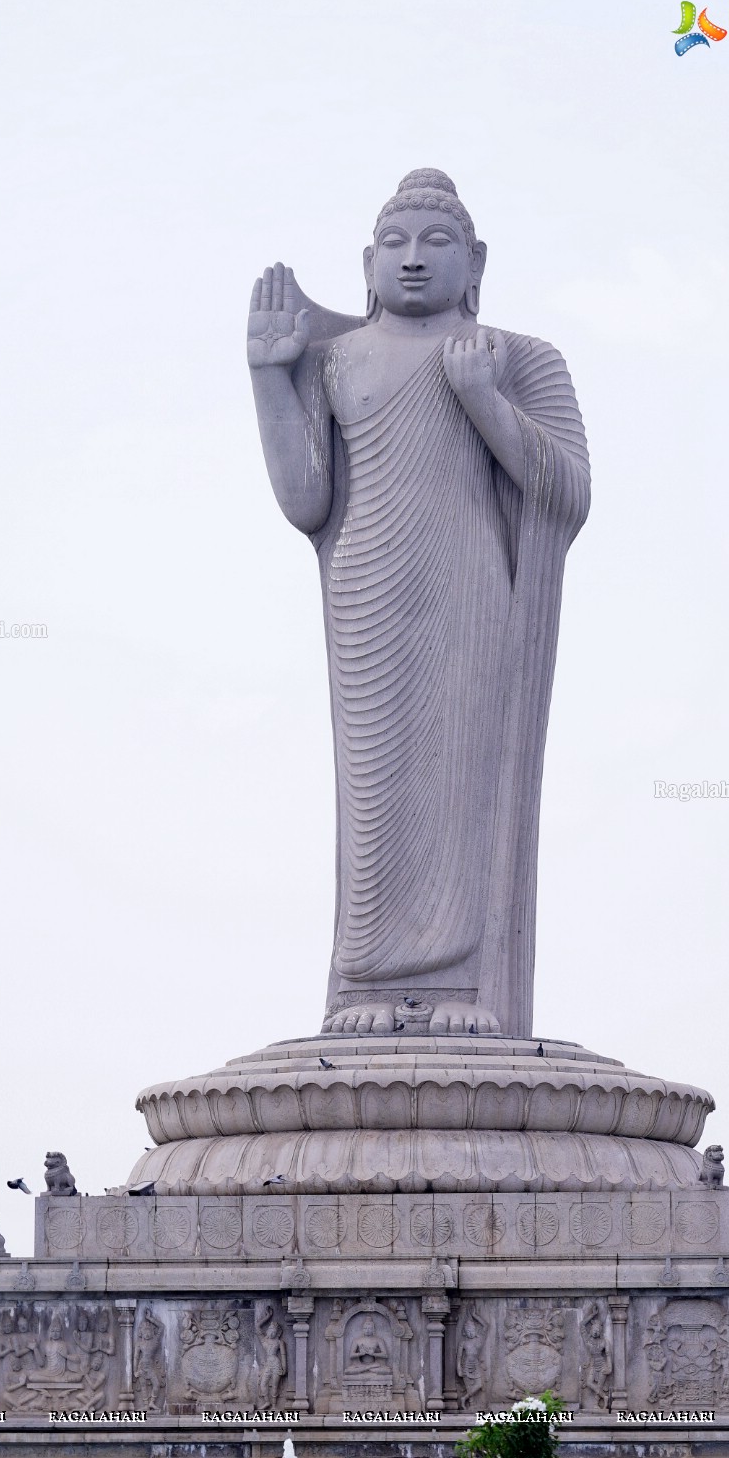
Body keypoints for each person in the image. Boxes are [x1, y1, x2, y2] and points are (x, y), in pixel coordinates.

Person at [248, 169, 590, 1039]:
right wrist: (269, 380)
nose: (411, 260)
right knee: (377, 794)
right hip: (365, 589)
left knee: (460, 778)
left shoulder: (519, 358)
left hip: (470, 589)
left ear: (474, 260)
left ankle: (467, 989)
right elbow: (305, 503)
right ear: (367, 262)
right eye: (394, 244)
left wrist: (480, 398)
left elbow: (566, 490)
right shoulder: (337, 360)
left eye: (434, 244)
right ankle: (366, 988)